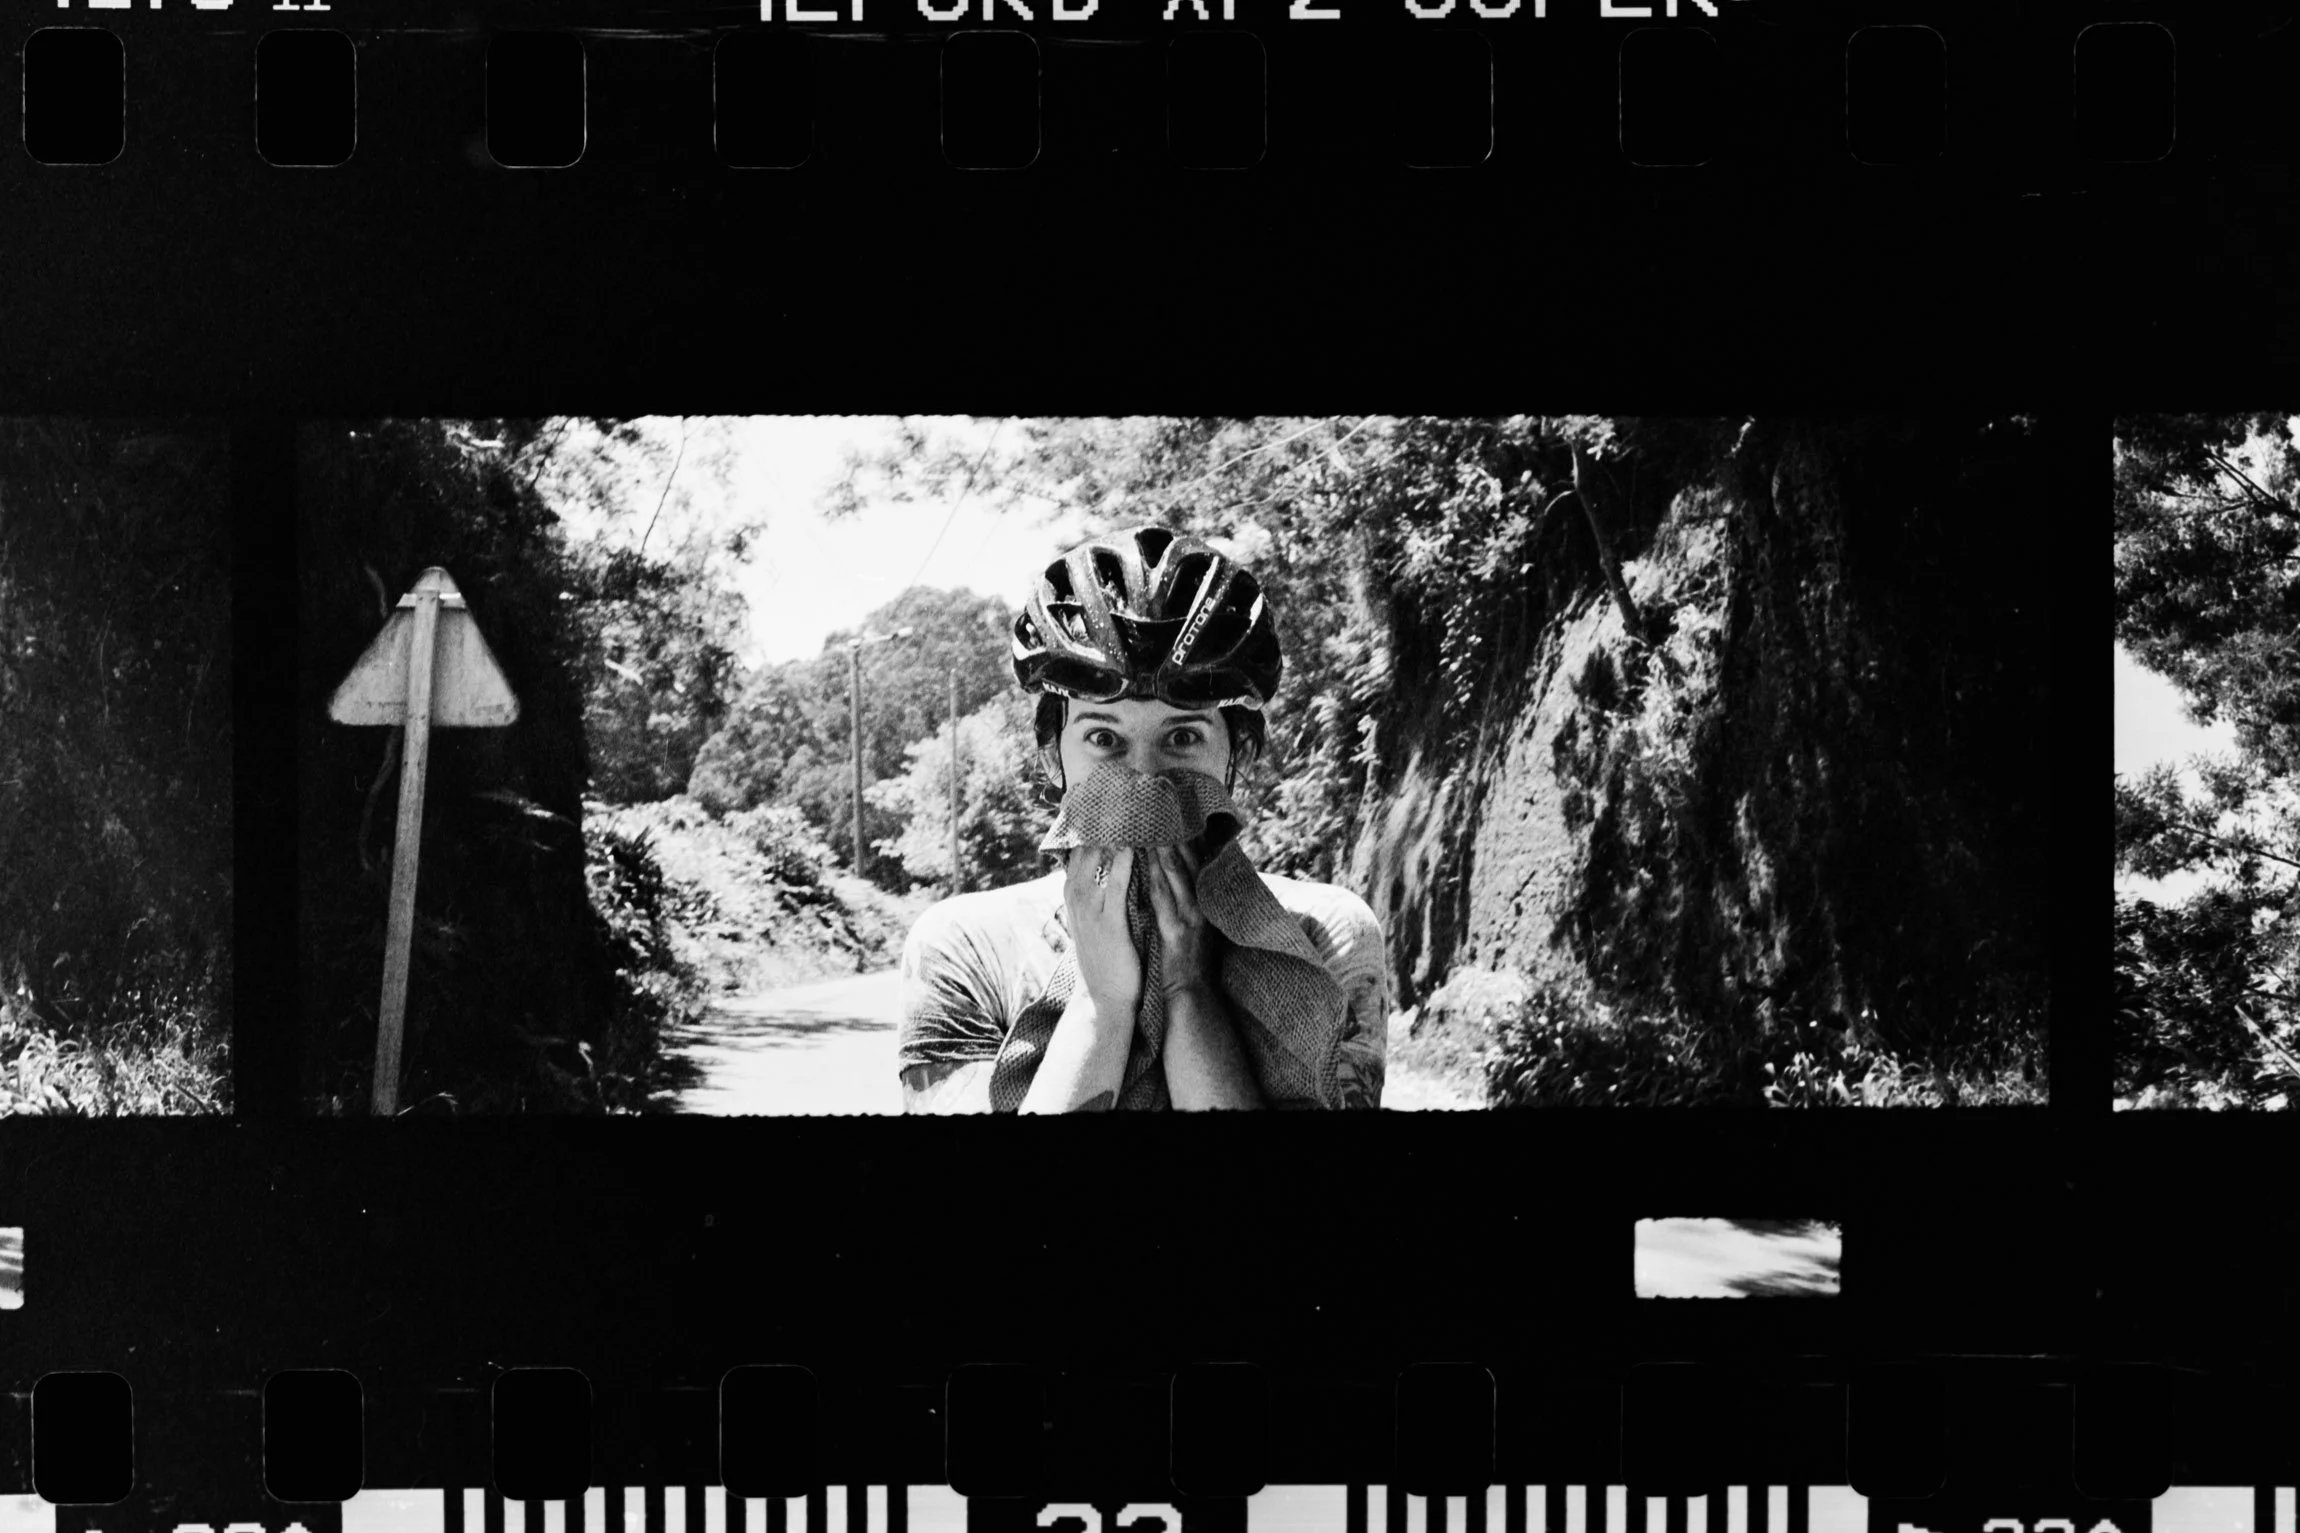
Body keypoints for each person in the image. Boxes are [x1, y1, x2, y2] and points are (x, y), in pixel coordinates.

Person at [895, 525, 1388, 1112]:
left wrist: (1190, 990)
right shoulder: (966, 948)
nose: (1145, 782)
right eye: (1104, 738)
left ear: (1237, 755)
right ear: (1053, 756)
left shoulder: (1325, 936)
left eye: (1183, 737)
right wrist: (1101, 1002)